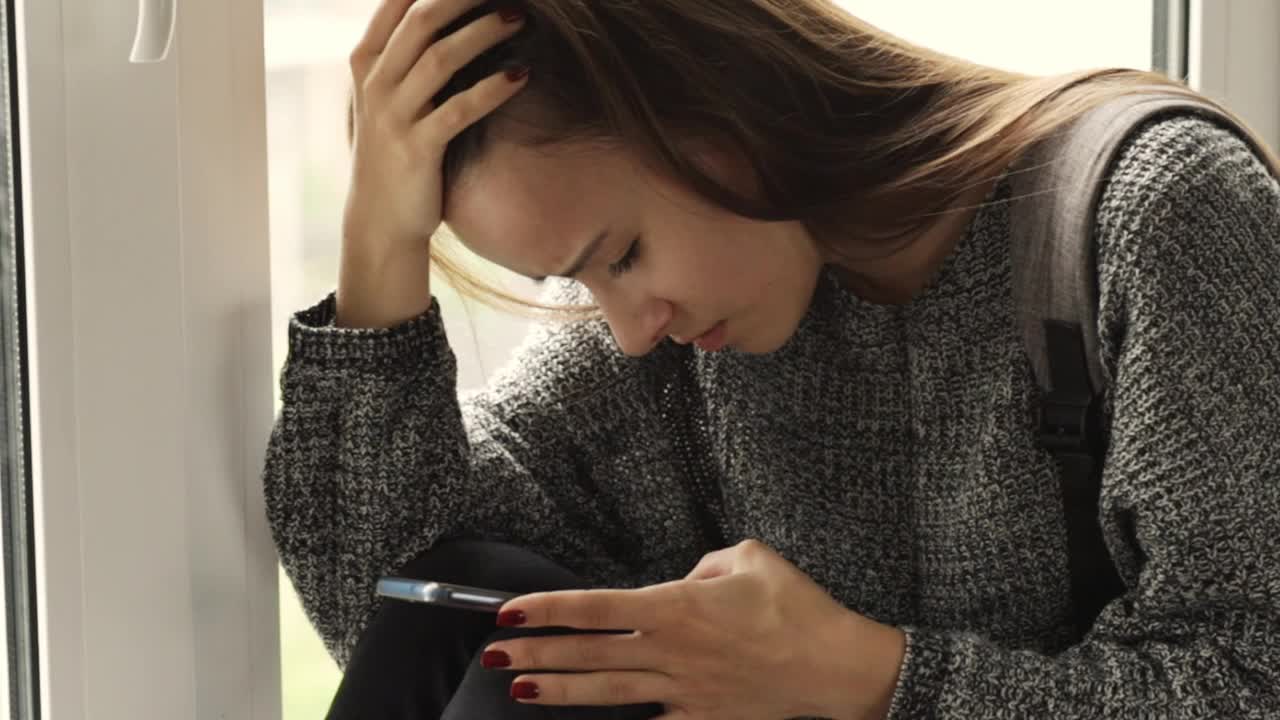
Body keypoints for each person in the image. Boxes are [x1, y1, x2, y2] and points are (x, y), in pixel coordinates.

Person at [261, 0, 1280, 717]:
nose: (625, 325)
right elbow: (396, 606)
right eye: (581, 284)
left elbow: (1254, 679)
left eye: (619, 255)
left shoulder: (1158, 212)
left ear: (718, 119)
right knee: (489, 606)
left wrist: (862, 675)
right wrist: (378, 250)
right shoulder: (678, 343)